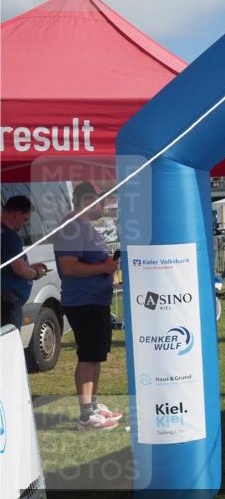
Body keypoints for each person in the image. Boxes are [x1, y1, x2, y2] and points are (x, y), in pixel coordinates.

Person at [53, 183, 122, 430]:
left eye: (98, 200)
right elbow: (69, 266)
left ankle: (92, 405)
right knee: (88, 355)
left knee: (95, 356)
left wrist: (107, 265)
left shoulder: (84, 227)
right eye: (91, 200)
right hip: (83, 301)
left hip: (95, 300)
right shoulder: (72, 227)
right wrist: (104, 267)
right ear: (80, 202)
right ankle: (86, 414)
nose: (97, 205)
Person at [1, 195, 50, 329]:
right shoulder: (8, 236)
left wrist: (28, 268)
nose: (25, 224)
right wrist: (36, 273)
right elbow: (20, 269)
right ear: (17, 214)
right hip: (7, 303)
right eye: (25, 219)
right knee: (10, 339)